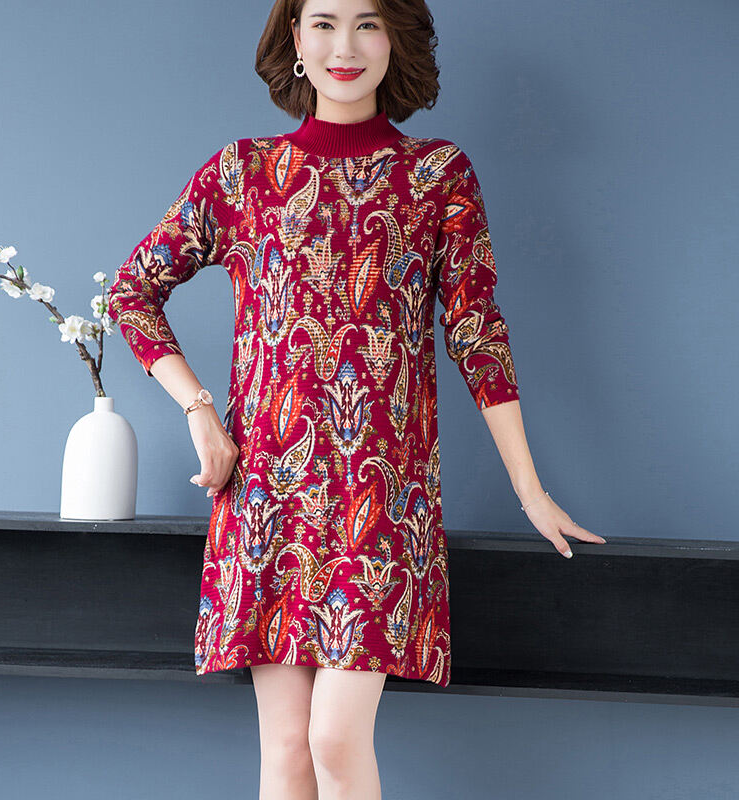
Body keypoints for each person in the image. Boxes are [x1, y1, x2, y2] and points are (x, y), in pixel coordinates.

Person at [106, 0, 606, 797]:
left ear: (395, 40)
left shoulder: (437, 176)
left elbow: (476, 332)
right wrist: (200, 411)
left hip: (383, 501)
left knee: (335, 741)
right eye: (325, 22)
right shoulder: (242, 173)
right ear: (296, 39)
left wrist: (530, 488)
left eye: (368, 23)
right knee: (286, 752)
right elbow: (132, 292)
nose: (346, 45)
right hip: (267, 498)